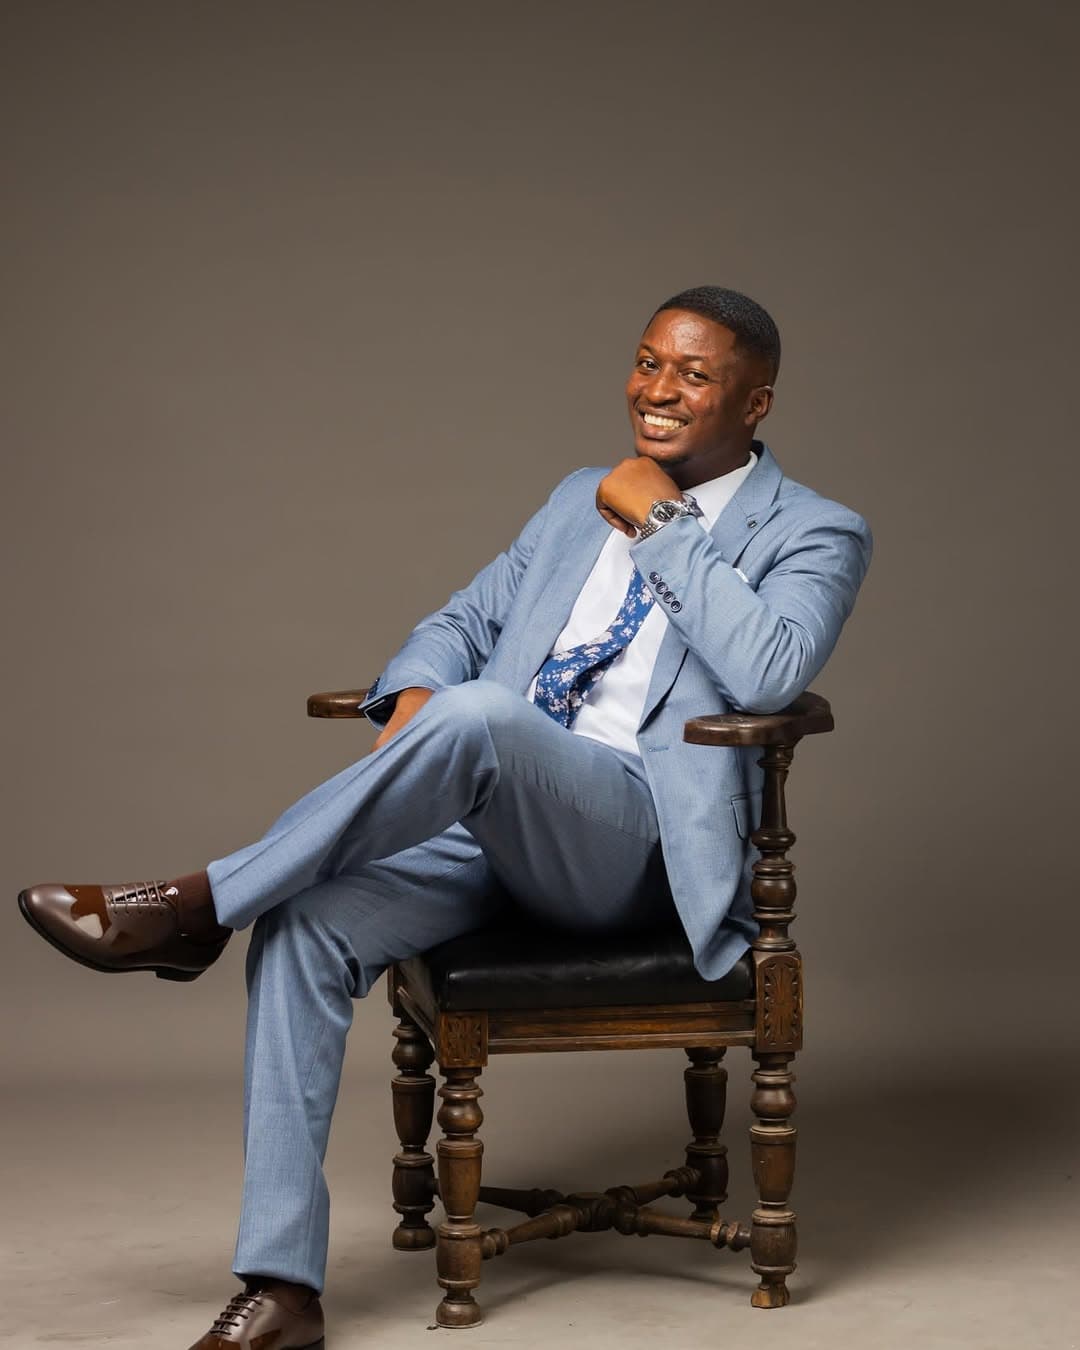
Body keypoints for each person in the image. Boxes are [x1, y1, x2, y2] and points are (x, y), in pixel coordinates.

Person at [18, 286, 873, 1349]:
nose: (655, 389)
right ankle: (283, 1290)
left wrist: (658, 517)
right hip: (491, 826)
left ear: (759, 403)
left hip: (634, 845)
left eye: (692, 376)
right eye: (648, 362)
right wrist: (417, 699)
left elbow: (770, 670)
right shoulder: (573, 499)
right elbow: (466, 619)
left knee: (482, 719)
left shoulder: (817, 531)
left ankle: (196, 901)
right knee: (305, 926)